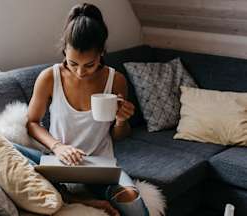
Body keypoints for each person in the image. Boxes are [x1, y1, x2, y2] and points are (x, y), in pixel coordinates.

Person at [15, 3, 149, 216]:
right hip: (58, 162)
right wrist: (58, 147)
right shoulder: (50, 77)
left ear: (101, 53)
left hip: (99, 167)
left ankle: (77, 197)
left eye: (89, 64)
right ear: (64, 50)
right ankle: (74, 197)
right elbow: (32, 123)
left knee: (133, 202)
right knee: (9, 148)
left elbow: (120, 136)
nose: (80, 72)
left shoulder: (116, 80)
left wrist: (122, 121)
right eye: (73, 63)